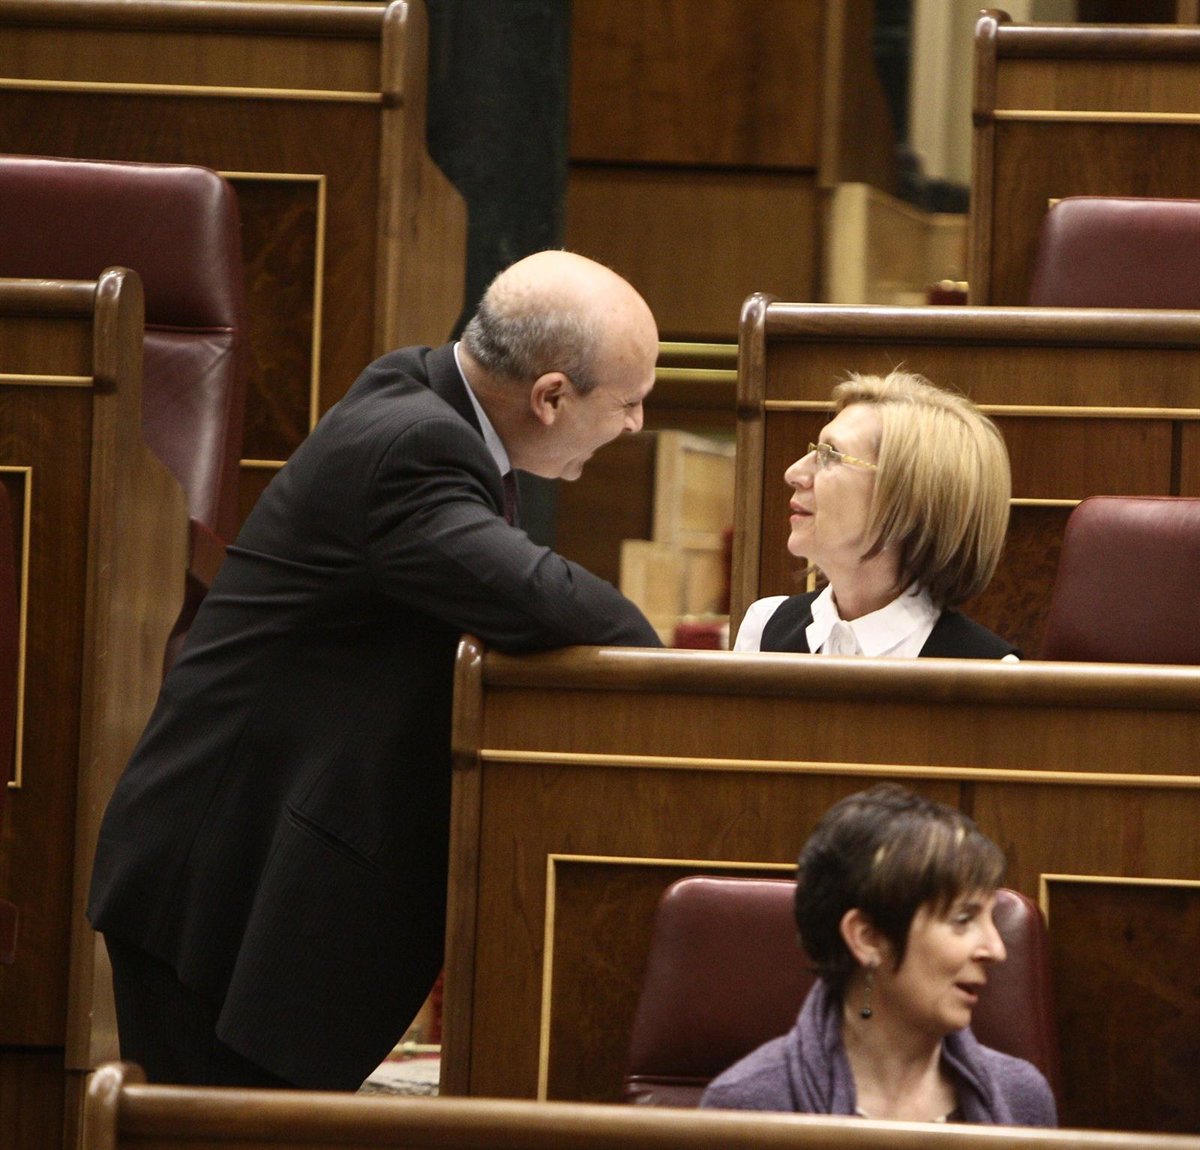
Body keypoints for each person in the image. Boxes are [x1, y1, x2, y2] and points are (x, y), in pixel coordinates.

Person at [87, 250, 664, 1091]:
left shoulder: (420, 394)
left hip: (244, 870)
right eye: (630, 401)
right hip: (223, 892)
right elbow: (560, 605)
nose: (638, 425)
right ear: (550, 397)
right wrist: (689, 685)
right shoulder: (413, 447)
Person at [700, 784, 1057, 1125]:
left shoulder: (1021, 1098)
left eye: (991, 918)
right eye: (963, 919)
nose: (996, 950)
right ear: (868, 938)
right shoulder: (746, 1109)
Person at [734, 370, 1017, 658]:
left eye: (829, 454)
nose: (793, 473)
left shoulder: (989, 668)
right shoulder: (765, 627)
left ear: (909, 495)